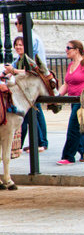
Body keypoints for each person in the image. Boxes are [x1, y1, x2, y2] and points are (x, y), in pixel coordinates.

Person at [57, 40, 84, 165]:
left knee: (73, 128)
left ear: (76, 50)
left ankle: (68, 156)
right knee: (83, 129)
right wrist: (57, 97)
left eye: (68, 47)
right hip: (73, 100)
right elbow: (66, 84)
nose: (66, 50)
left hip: (83, 101)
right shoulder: (71, 65)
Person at [14, 15, 49, 152]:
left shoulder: (30, 39)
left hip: (33, 79)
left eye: (17, 23)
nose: (16, 25)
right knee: (35, 110)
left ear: (22, 24)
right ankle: (40, 141)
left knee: (33, 110)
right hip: (34, 78)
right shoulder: (32, 37)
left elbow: (30, 63)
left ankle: (40, 142)